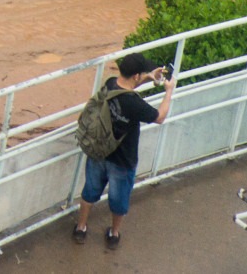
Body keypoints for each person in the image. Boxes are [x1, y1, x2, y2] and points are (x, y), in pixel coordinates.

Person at [74, 52, 174, 250]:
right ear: (136, 75)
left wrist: (147, 77)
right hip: (122, 161)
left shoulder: (110, 84)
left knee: (90, 192)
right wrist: (169, 91)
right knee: (119, 201)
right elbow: (160, 117)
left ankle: (81, 227)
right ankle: (113, 234)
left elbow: (126, 86)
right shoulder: (134, 104)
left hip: (98, 151)